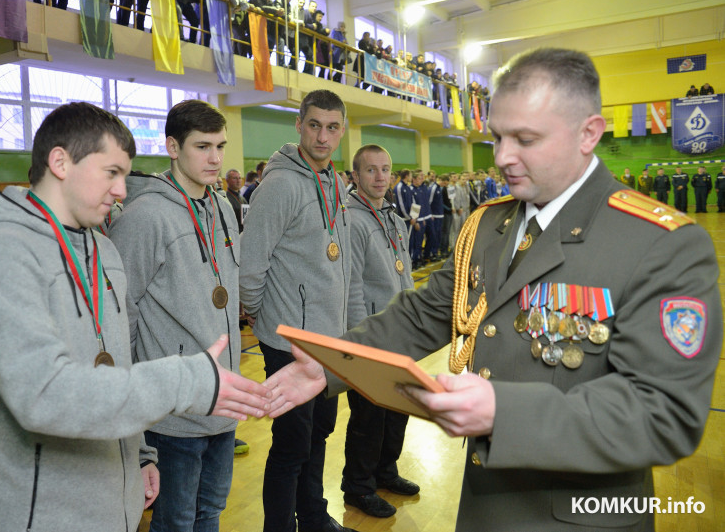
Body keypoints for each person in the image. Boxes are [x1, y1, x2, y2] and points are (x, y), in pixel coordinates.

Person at [263, 48, 722, 532]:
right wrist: (332, 362)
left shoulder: (659, 243)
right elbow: (424, 314)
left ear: (589, 133)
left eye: (525, 139)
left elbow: (665, 414)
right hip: (484, 507)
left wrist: (504, 412)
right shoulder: (489, 227)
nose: (502, 157)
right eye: (498, 136)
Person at [0, 102, 271, 532]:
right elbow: (44, 394)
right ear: (60, 161)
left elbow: (116, 360)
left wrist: (139, 454)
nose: (122, 191)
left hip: (109, 499)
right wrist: (186, 379)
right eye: (111, 173)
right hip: (34, 513)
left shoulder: (102, 250)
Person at [108, 100, 242, 532]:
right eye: (202, 147)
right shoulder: (145, 216)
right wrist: (132, 398)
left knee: (210, 513)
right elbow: (119, 312)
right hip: (172, 410)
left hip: (222, 399)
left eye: (220, 146)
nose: (216, 158)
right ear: (171, 147)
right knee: (175, 521)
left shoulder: (222, 206)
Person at [240, 89, 356, 532]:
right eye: (314, 125)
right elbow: (251, 266)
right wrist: (262, 317)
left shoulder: (334, 181)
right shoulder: (282, 184)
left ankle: (311, 515)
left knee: (319, 435)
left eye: (331, 128)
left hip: (329, 340)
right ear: (299, 125)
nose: (322, 137)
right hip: (289, 342)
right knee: (291, 445)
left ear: (341, 130)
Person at [341, 145, 417, 519]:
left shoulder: (393, 216)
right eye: (371, 170)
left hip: (401, 331)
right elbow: (352, 285)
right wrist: (360, 338)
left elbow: (405, 272)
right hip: (371, 335)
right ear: (355, 176)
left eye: (385, 169)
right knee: (368, 418)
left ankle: (386, 471)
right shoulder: (351, 219)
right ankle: (358, 487)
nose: (380, 176)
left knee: (397, 410)